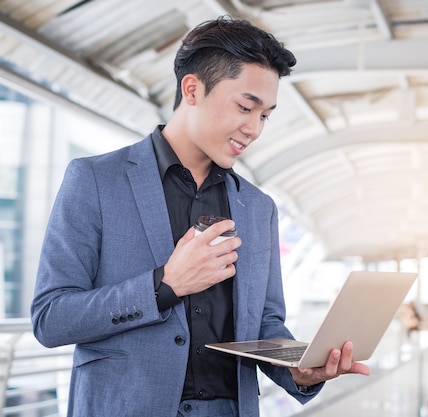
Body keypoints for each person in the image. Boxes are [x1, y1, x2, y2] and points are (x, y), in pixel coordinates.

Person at [30, 17, 369, 417]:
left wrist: (300, 371)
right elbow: (51, 318)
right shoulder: (95, 180)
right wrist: (164, 285)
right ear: (192, 89)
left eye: (265, 115)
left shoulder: (258, 207)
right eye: (246, 107)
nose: (254, 129)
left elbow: (265, 325)